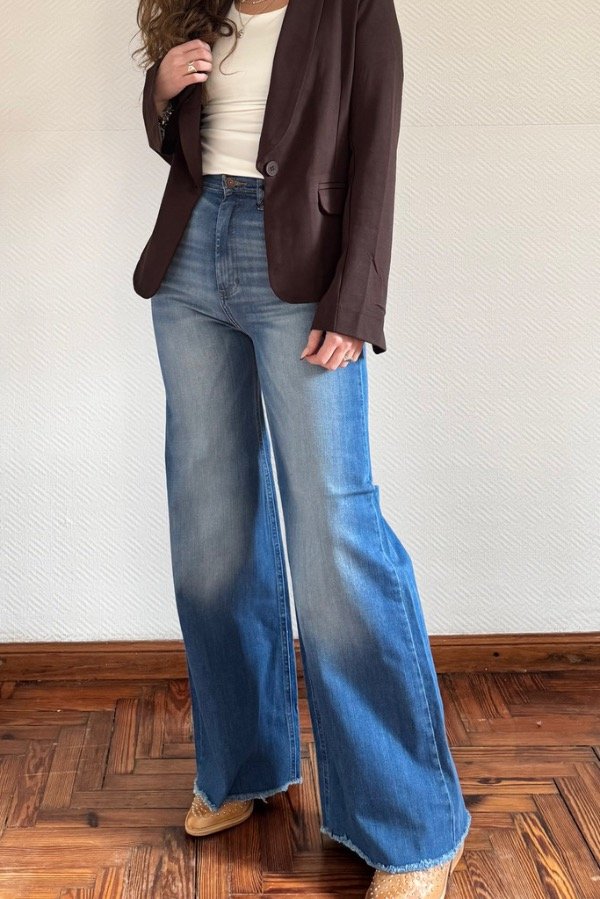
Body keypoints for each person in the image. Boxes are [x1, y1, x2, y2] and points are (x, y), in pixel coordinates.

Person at [132, 0, 471, 895]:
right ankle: (244, 766)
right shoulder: (204, 9)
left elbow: (374, 154)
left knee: (334, 535)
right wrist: (160, 94)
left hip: (303, 269)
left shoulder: (354, 9)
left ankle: (413, 826)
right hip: (191, 261)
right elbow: (182, 144)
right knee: (211, 533)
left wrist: (356, 299)